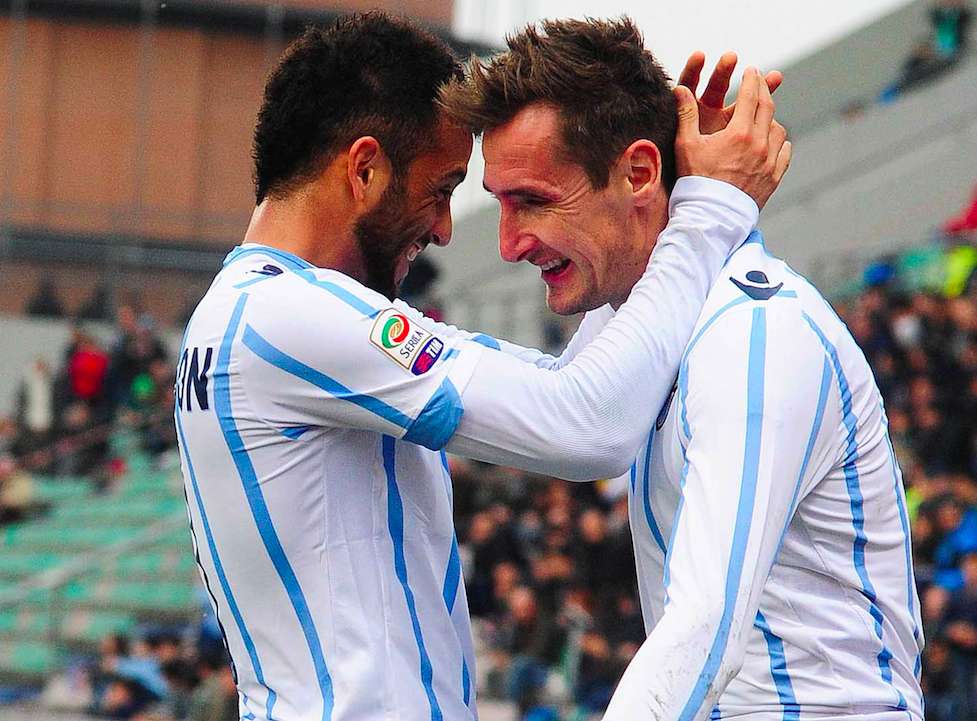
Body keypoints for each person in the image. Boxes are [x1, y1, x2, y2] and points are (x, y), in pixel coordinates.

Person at [175, 11, 787, 721]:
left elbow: (574, 385)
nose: (444, 229)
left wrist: (645, 207)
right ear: (365, 169)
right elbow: (587, 426)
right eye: (441, 189)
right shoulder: (291, 318)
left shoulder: (249, 312)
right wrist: (708, 211)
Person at [439, 17, 923, 721]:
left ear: (639, 173)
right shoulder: (636, 328)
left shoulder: (755, 333)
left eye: (533, 201)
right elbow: (554, 409)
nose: (508, 244)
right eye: (501, 204)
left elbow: (705, 628)